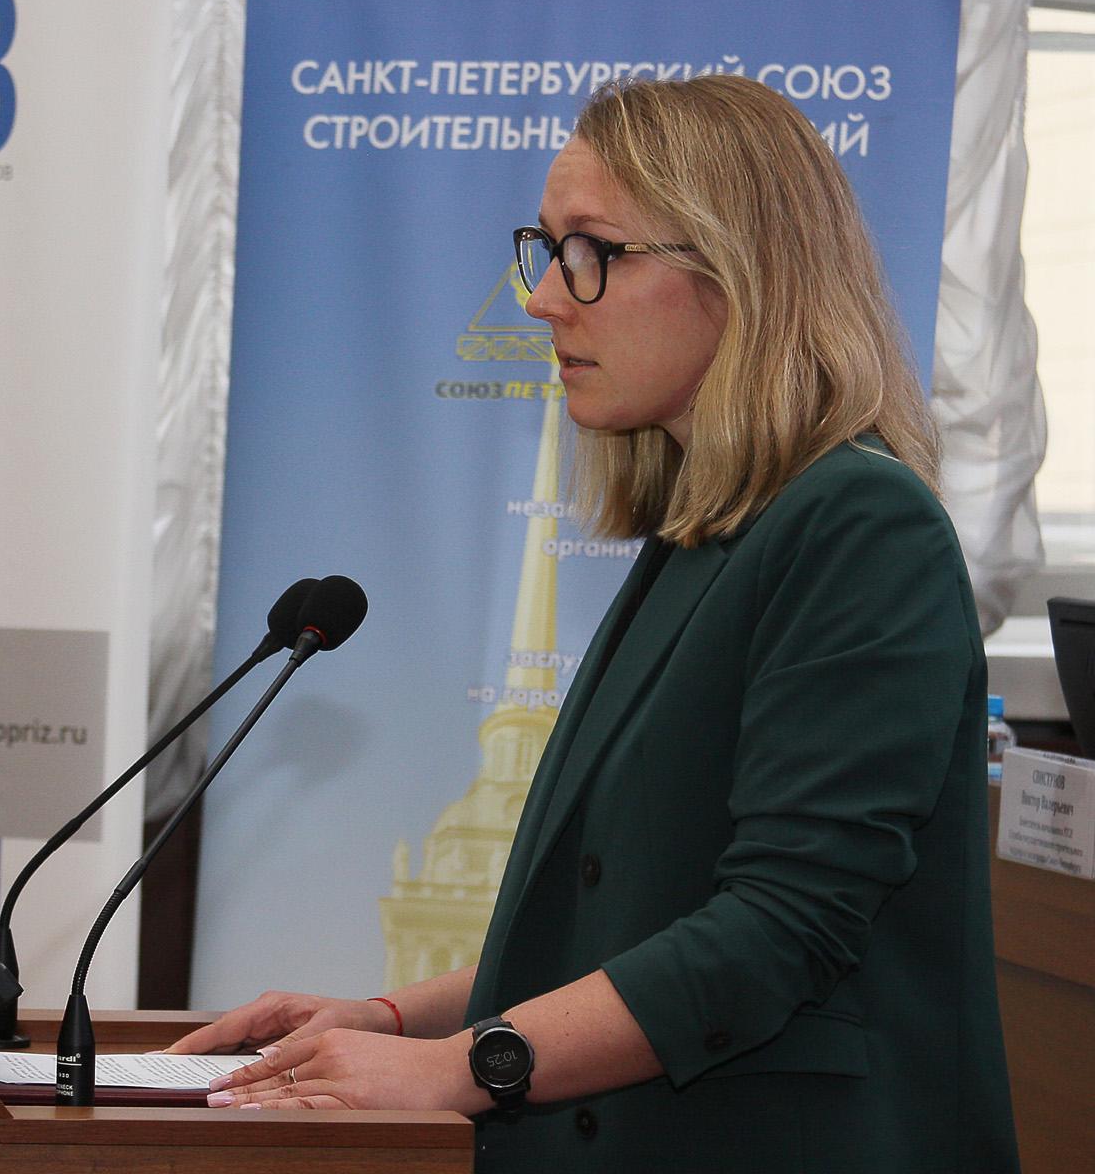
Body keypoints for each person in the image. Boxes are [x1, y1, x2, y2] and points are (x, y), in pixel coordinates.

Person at [166, 75, 1020, 1172]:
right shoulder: (708, 532)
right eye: (546, 249)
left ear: (739, 270)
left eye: (592, 252)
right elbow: (616, 933)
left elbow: (779, 929)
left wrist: (461, 1067)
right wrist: (393, 1019)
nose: (542, 298)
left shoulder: (859, 524)